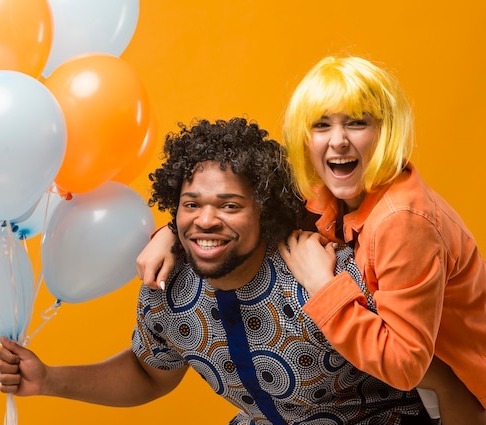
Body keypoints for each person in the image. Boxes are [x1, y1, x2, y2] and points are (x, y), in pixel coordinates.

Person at [0, 117, 432, 424]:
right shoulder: (166, 285)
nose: (205, 221)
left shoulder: (319, 268)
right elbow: (151, 373)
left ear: (264, 212)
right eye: (191, 205)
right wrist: (50, 379)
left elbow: (430, 365)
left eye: (229, 205)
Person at [136, 57, 486, 424]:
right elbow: (234, 208)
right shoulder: (332, 191)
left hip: (458, 390)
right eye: (322, 125)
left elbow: (405, 366)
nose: (338, 140)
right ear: (305, 137)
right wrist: (171, 234)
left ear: (385, 132)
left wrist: (323, 286)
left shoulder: (402, 220)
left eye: (357, 122)